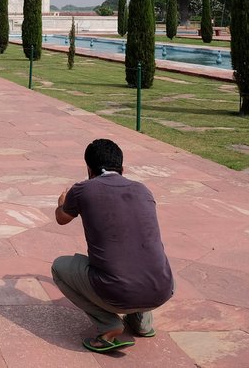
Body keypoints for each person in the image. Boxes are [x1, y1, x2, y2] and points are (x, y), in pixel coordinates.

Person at [52, 139, 174, 353]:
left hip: (117, 291)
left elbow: (62, 218)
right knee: (137, 256)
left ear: (89, 169)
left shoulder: (83, 190)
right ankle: (142, 323)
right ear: (122, 168)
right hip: (163, 289)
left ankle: (108, 325)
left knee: (59, 267)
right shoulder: (143, 190)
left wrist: (62, 202)